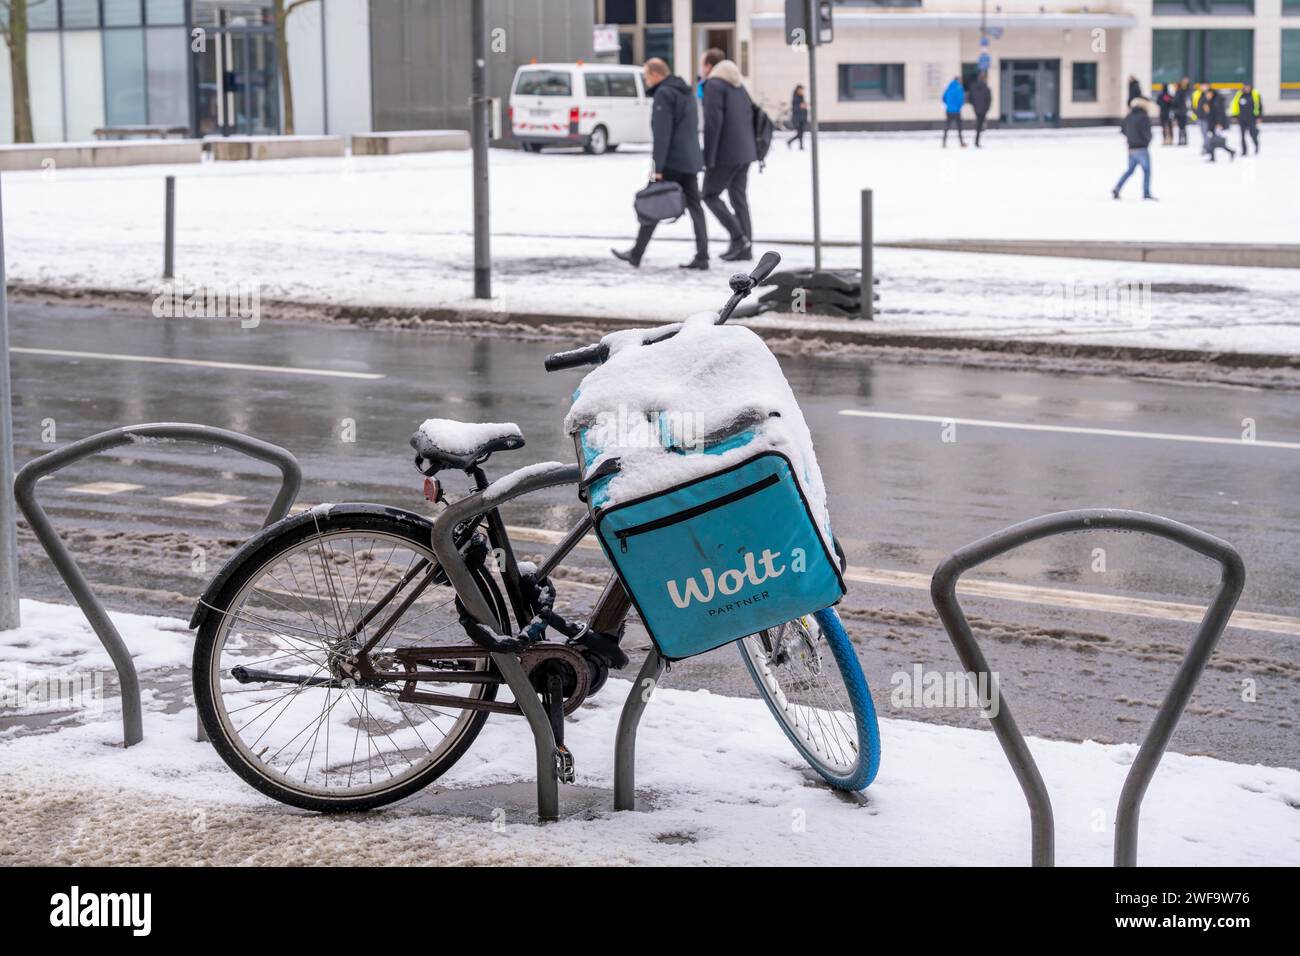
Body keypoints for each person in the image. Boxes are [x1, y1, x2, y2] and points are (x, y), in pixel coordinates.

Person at [612, 58, 709, 270]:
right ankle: (703, 255)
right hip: (690, 159)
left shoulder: (664, 94)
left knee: (653, 203)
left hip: (672, 160)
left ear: (656, 74)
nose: (646, 81)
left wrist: (658, 169)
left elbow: (662, 135)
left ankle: (636, 254)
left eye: (647, 76)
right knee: (695, 207)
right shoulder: (686, 92)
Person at [700, 47, 757, 262]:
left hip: (726, 153)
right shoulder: (739, 85)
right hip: (746, 151)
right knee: (738, 198)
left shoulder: (713, 85)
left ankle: (739, 237)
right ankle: (746, 246)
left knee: (709, 194)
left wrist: (709, 157)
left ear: (709, 66)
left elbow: (713, 124)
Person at [1112, 98, 1156, 201]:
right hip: (1141, 148)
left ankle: (1117, 187)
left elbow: (1122, 129)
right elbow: (1146, 132)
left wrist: (1130, 138)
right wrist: (1146, 140)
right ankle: (1146, 193)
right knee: (1147, 171)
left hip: (1131, 148)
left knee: (1130, 170)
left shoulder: (1129, 116)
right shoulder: (1144, 117)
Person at [1199, 88, 1236, 162]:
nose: (1207, 95)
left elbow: (1219, 113)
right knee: (1213, 141)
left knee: (1217, 141)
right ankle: (1213, 157)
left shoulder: (1217, 101)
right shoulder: (1210, 101)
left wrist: (1219, 123)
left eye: (1208, 94)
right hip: (1213, 123)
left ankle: (1230, 151)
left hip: (1217, 124)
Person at [1231, 83, 1263, 156]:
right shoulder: (1239, 94)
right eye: (1245, 87)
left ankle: (1256, 145)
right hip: (1242, 118)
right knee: (1242, 136)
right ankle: (1244, 151)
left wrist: (1259, 116)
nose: (1247, 88)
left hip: (1251, 118)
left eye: (1248, 87)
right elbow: (1235, 105)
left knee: (1252, 134)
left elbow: (1259, 106)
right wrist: (1234, 116)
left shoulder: (1255, 94)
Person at [968, 72, 992, 147]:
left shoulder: (973, 87)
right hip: (983, 110)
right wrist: (987, 108)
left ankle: (976, 140)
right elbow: (989, 100)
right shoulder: (986, 88)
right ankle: (977, 141)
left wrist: (974, 106)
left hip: (976, 109)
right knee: (980, 125)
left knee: (979, 124)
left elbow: (970, 98)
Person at [941, 76, 966, 148]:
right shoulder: (959, 88)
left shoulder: (948, 88)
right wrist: (958, 106)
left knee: (947, 127)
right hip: (957, 111)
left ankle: (944, 142)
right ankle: (961, 142)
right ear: (958, 80)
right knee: (959, 127)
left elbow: (943, 98)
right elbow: (961, 100)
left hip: (949, 110)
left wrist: (948, 104)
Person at [1191, 81, 1212, 153]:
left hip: (1208, 117)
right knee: (1204, 133)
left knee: (1206, 133)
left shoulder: (1210, 93)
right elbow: (1194, 105)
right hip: (1200, 117)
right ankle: (1207, 147)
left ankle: (1208, 147)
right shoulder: (1196, 94)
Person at [787, 84, 808, 150]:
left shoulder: (801, 97)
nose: (802, 91)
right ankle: (790, 141)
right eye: (801, 90)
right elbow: (795, 108)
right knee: (799, 133)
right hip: (797, 118)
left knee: (801, 133)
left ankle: (800, 146)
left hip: (802, 118)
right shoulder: (795, 97)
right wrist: (800, 106)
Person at [1172, 77, 1190, 146]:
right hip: (1179, 111)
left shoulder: (1182, 91)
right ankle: (1181, 140)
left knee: (1182, 126)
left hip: (1182, 111)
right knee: (1181, 127)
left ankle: (1183, 140)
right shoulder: (1178, 92)